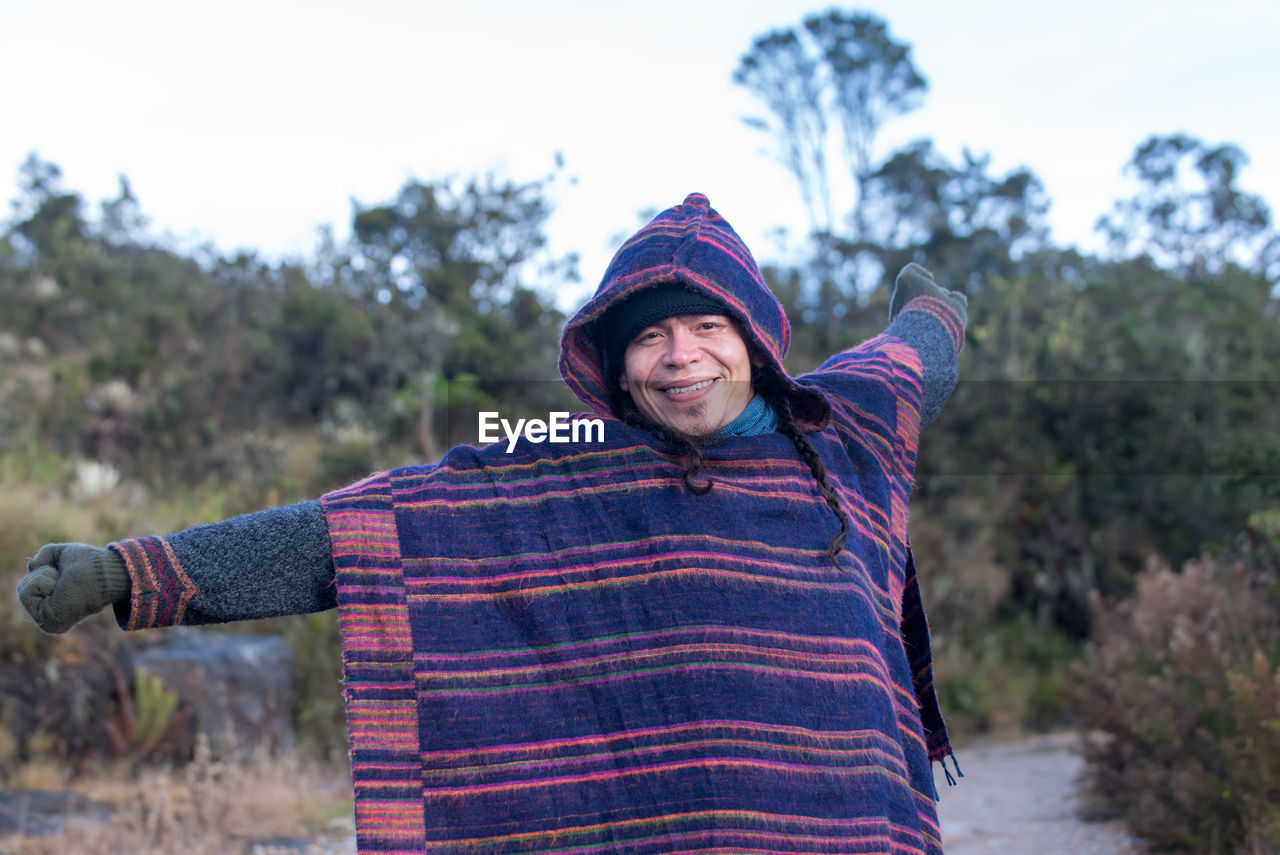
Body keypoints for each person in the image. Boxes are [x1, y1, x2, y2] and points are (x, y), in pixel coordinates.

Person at [19, 193, 968, 854]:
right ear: (615, 359)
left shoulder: (840, 431)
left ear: (755, 341)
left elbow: (911, 359)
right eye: (650, 334)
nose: (682, 357)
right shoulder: (558, 462)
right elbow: (353, 534)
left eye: (708, 328)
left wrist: (933, 310)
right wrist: (130, 570)